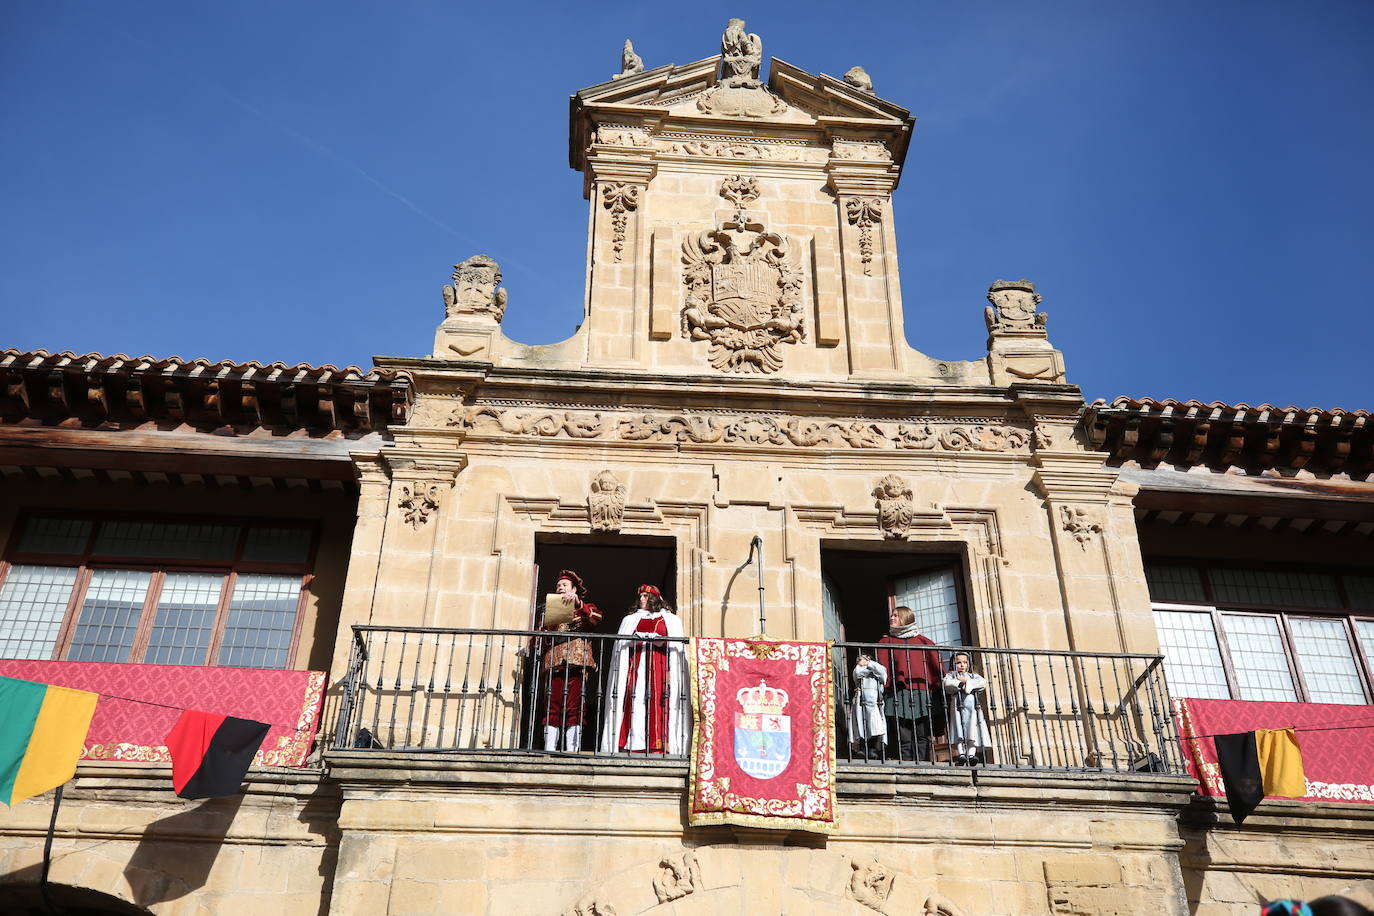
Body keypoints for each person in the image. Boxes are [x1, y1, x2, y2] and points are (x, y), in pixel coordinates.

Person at [601, 585, 688, 755]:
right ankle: (632, 745)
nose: (642, 599)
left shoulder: (669, 619)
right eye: (640, 596)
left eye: (646, 596)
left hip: (659, 667)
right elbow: (622, 644)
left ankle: (658, 746)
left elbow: (676, 646)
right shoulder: (630, 619)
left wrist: (660, 641)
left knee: (657, 702)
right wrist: (636, 640)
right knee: (634, 702)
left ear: (654, 599)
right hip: (637, 667)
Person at [539, 570, 603, 752]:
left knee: (575, 707)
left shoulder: (586, 607)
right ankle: (550, 748)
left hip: (576, 664)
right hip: (555, 663)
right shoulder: (548, 611)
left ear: (574, 589)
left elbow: (595, 618)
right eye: (558, 586)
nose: (560, 588)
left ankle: (572, 749)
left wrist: (578, 604)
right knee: (552, 706)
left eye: (564, 585)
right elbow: (541, 640)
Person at [875, 605, 943, 762]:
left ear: (905, 618)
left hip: (921, 693)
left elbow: (935, 667)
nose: (892, 618)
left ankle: (924, 764)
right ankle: (907, 765)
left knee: (922, 735)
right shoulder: (885, 642)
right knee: (903, 736)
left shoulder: (923, 641)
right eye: (892, 615)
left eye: (896, 615)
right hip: (897, 694)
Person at [943, 651, 990, 765]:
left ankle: (971, 753)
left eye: (965, 662)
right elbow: (947, 684)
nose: (962, 665)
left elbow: (982, 683)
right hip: (958, 707)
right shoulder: (951, 676)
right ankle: (961, 753)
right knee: (959, 728)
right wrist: (959, 684)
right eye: (959, 662)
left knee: (972, 729)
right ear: (953, 664)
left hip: (972, 708)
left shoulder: (974, 676)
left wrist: (967, 682)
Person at [849, 653, 887, 759]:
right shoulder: (857, 668)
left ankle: (872, 749)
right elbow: (858, 673)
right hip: (861, 701)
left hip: (875, 701)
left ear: (869, 659)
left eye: (861, 658)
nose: (859, 660)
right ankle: (862, 749)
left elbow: (883, 675)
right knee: (861, 725)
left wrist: (869, 664)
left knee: (875, 726)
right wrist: (871, 668)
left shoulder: (875, 666)